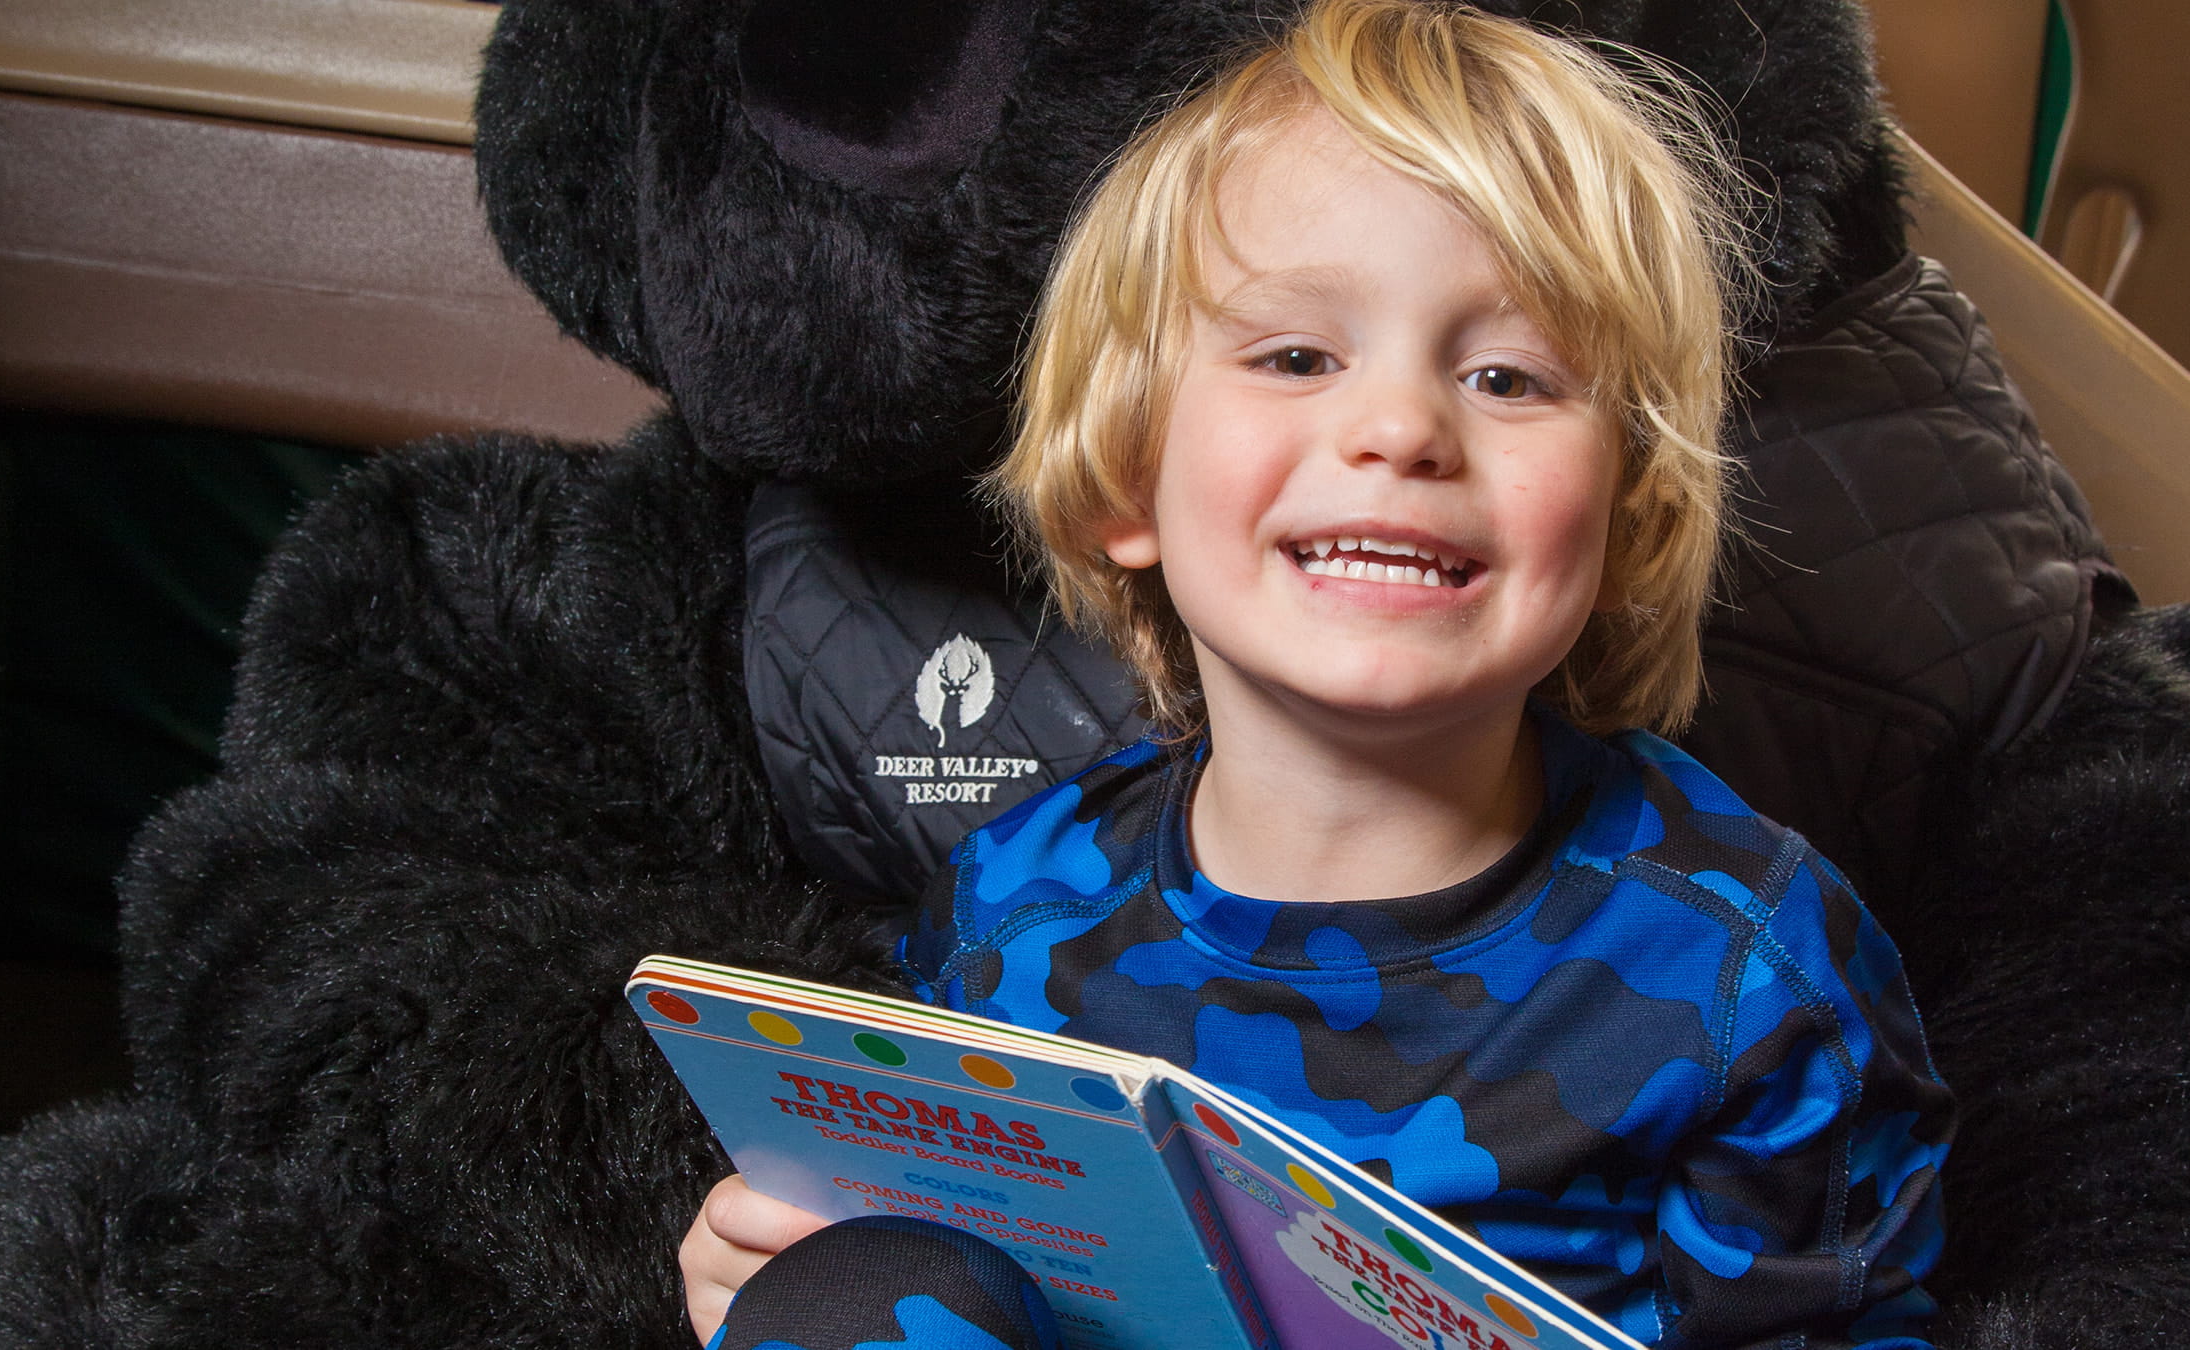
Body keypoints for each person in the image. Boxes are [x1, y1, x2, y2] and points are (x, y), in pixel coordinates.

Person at [681, 0, 1953, 1346]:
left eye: (1511, 377)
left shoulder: (1751, 969)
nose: (1402, 425)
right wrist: (796, 1276)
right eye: (1296, 356)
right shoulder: (1006, 916)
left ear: (1623, 517)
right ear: (1129, 474)